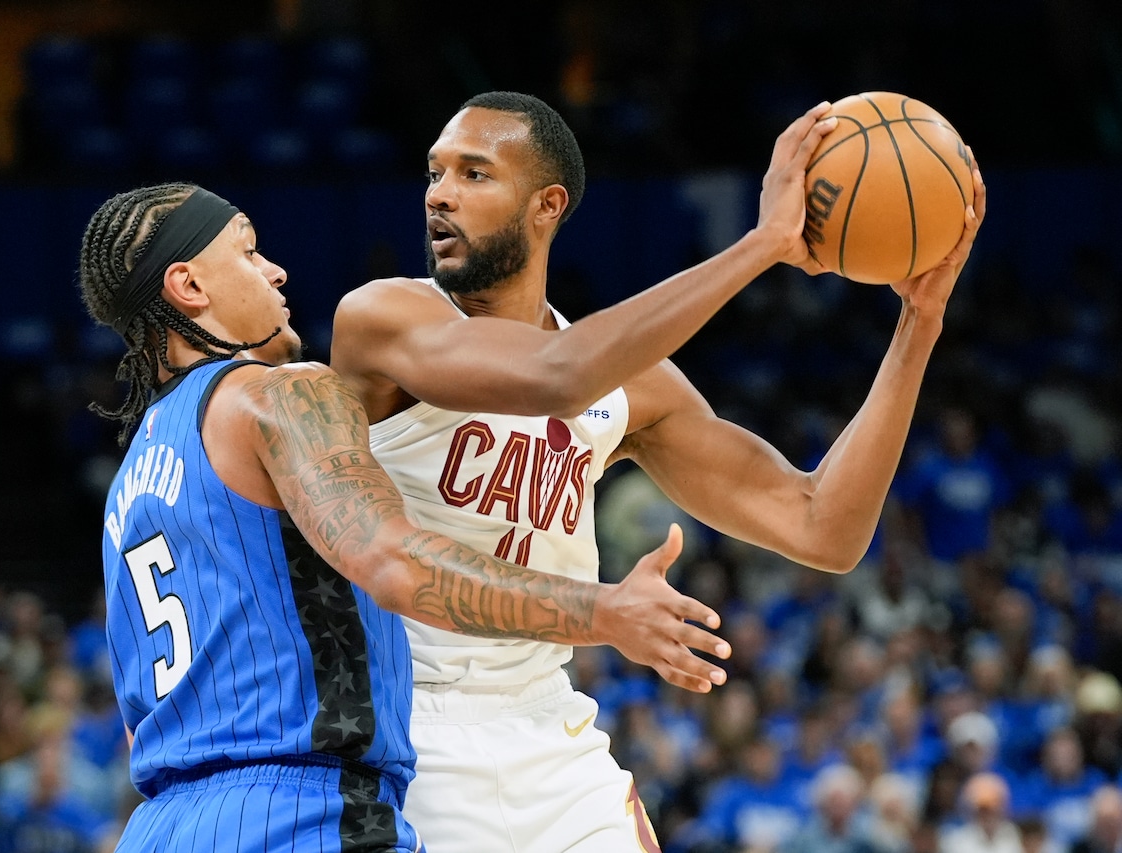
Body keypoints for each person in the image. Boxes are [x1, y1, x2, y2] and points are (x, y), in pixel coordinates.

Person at [329, 90, 985, 852]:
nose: (439, 193)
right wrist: (762, 245)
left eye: (474, 174)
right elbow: (554, 376)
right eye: (435, 173)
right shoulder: (383, 318)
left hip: (548, 726)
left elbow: (822, 526)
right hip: (408, 727)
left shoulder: (629, 385)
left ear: (547, 204)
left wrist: (919, 322)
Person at [76, 182, 731, 851]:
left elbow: (140, 724)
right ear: (188, 285)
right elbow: (394, 561)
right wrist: (605, 610)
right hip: (300, 816)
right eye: (248, 252)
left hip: (161, 826)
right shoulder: (284, 393)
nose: (275, 270)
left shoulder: (130, 485)